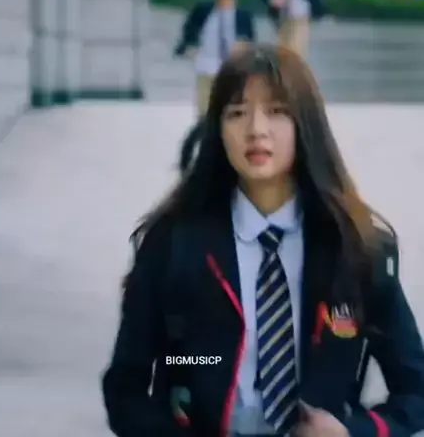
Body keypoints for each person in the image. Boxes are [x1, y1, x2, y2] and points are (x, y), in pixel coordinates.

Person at [101, 44, 424, 437]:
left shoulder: (356, 247)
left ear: (305, 124)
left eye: (277, 111)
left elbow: (416, 391)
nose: (256, 129)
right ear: (217, 130)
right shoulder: (173, 242)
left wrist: (351, 432)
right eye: (237, 113)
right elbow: (126, 387)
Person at [174, 0, 256, 173]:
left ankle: (228, 153)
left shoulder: (242, 16)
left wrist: (243, 46)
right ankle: (197, 155)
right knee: (205, 115)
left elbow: (251, 40)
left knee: (229, 112)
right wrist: (190, 46)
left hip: (231, 71)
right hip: (206, 68)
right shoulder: (204, 12)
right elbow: (189, 30)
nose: (224, 2)